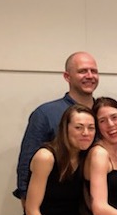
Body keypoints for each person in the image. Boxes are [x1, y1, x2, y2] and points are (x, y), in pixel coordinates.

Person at [14, 52, 99, 203]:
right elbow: (26, 164)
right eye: (82, 71)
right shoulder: (45, 114)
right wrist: (28, 207)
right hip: (54, 206)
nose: (89, 75)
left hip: (93, 206)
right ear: (67, 76)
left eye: (94, 71)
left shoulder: (104, 114)